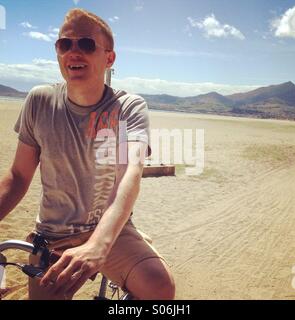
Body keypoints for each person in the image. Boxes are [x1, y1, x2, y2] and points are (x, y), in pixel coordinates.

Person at [0, 8, 175, 300]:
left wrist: (99, 245)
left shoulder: (128, 107)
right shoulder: (39, 101)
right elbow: (19, 175)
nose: (74, 51)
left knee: (159, 288)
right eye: (65, 44)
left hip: (111, 232)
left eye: (86, 44)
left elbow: (128, 175)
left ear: (109, 58)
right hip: (53, 237)